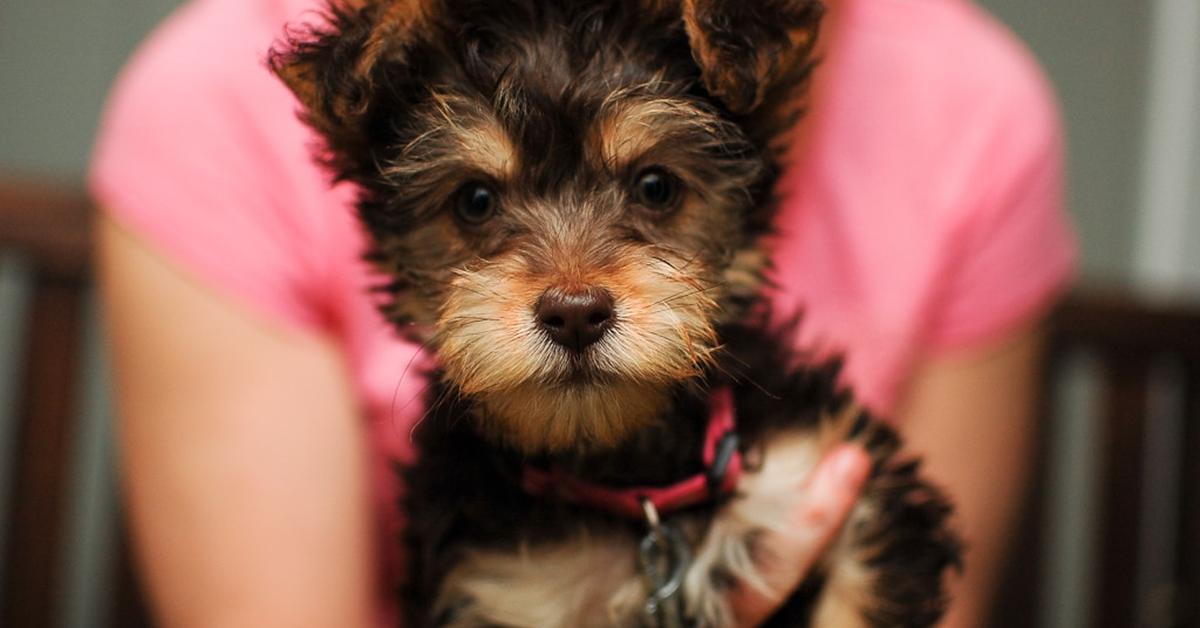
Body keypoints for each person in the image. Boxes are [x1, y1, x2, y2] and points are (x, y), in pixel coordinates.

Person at [91, 0, 1077, 626]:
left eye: (653, 193)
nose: (573, 288)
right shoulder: (208, 99)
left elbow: (921, 580)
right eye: (476, 206)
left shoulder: (968, 100)